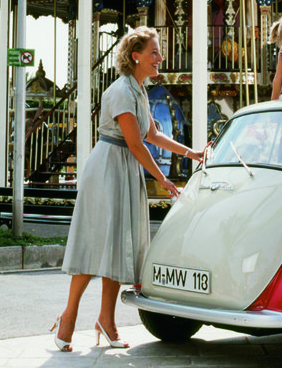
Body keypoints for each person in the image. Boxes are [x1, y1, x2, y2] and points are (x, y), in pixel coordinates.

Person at [52, 27, 204, 352]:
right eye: (154, 52)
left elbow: (153, 136)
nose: (159, 58)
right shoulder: (121, 91)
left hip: (124, 167)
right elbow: (135, 144)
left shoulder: (139, 90)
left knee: (117, 244)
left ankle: (106, 320)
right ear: (136, 55)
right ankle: (69, 316)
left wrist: (192, 153)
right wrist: (162, 178)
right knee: (95, 241)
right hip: (109, 166)